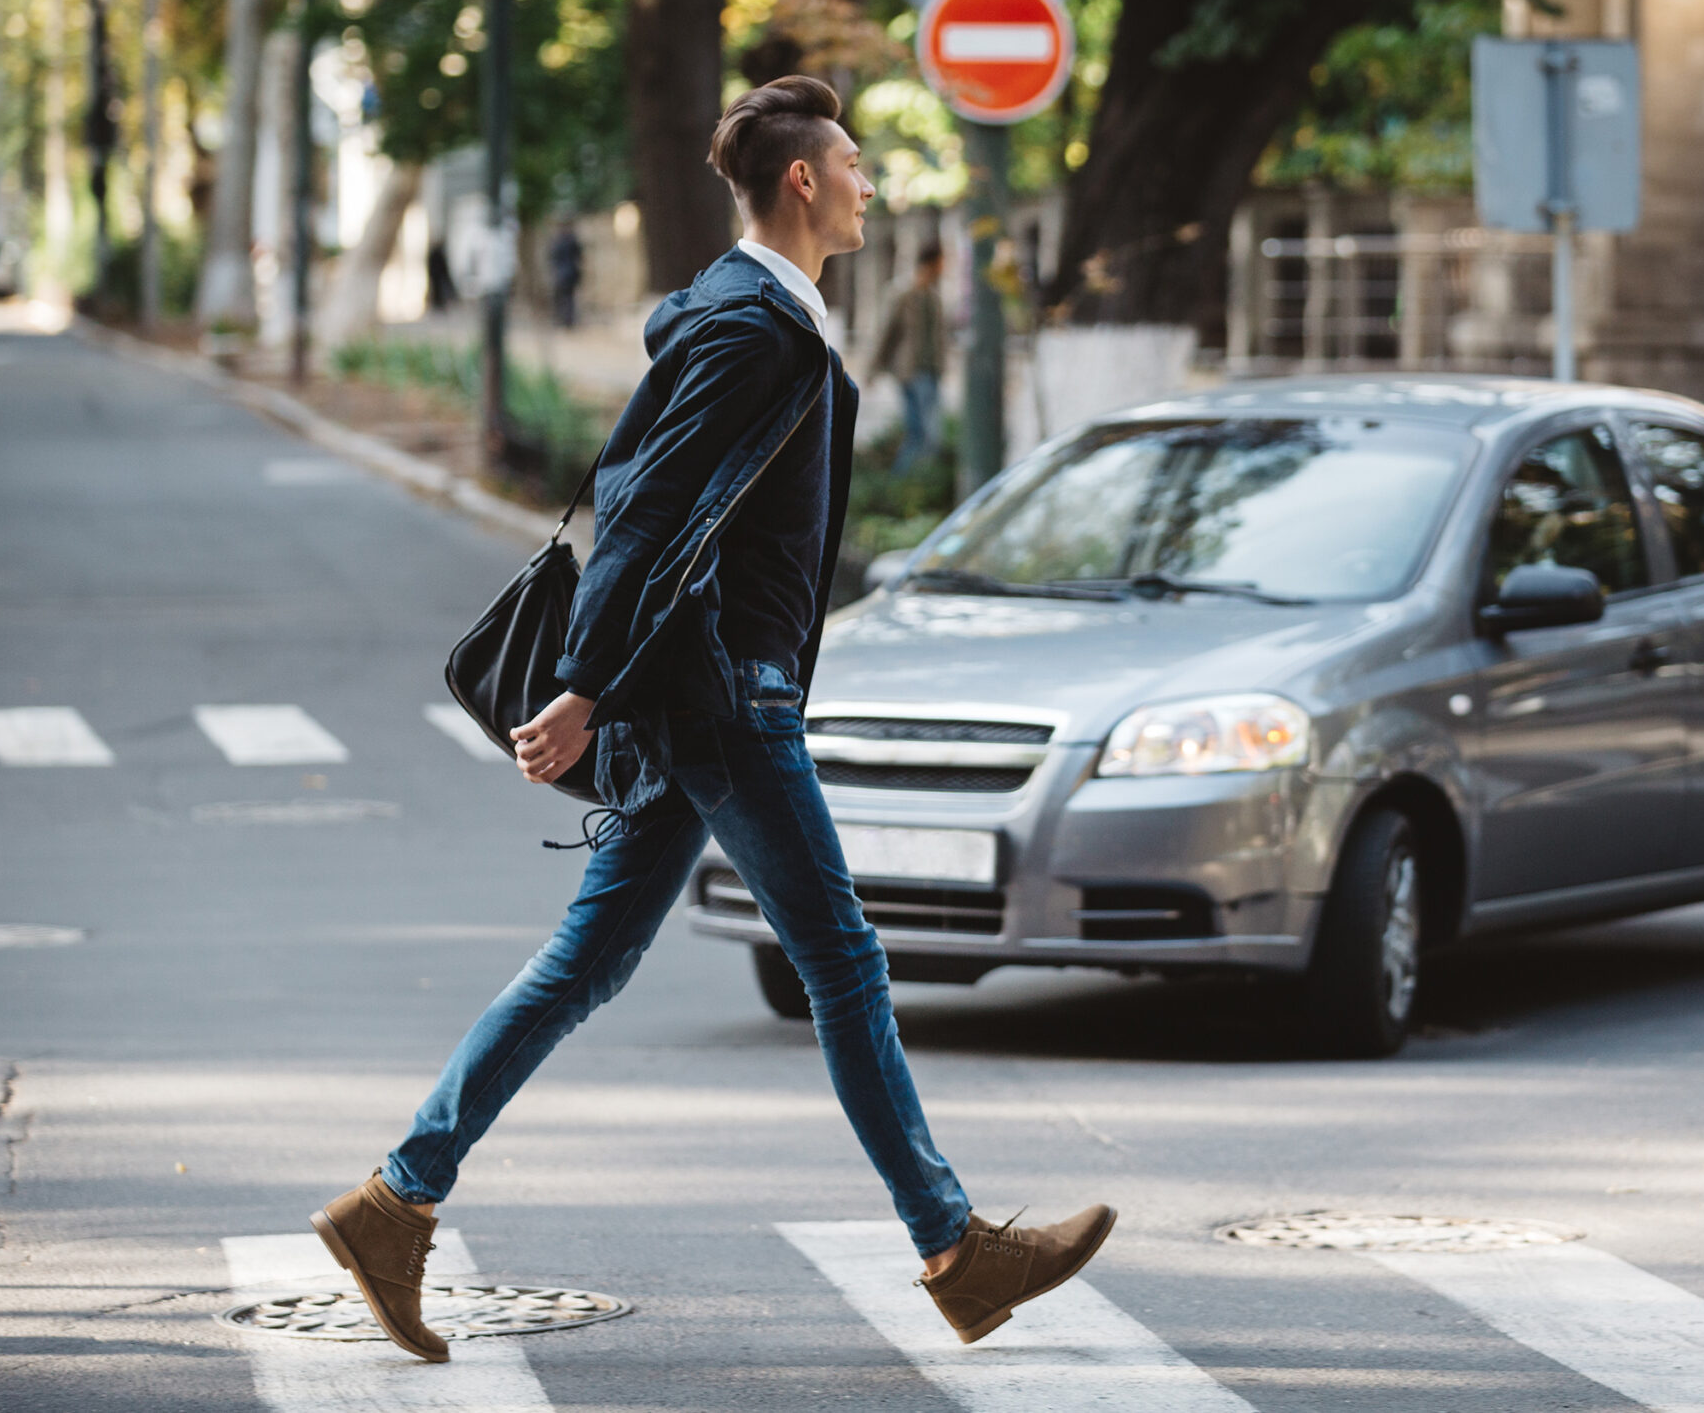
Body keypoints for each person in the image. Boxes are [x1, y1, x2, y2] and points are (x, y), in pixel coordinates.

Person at [309, 76, 1114, 1363]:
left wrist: (608, 683)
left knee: (589, 962)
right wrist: (582, 685)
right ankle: (956, 1249)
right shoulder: (752, 327)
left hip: (704, 693)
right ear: (803, 180)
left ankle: (395, 1202)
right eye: (852, 162)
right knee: (843, 963)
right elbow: (647, 511)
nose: (865, 181)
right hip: (724, 696)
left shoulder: (760, 315)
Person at [863, 242, 945, 474]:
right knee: (922, 434)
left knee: (928, 436)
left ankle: (916, 484)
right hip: (911, 371)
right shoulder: (902, 294)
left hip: (932, 371)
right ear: (933, 263)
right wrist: (873, 370)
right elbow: (886, 333)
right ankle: (900, 482)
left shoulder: (934, 297)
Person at [547, 221, 584, 329]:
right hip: (570, 273)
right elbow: (579, 257)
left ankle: (563, 320)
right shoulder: (572, 240)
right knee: (569, 298)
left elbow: (552, 257)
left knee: (562, 298)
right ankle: (568, 320)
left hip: (561, 274)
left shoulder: (557, 241)